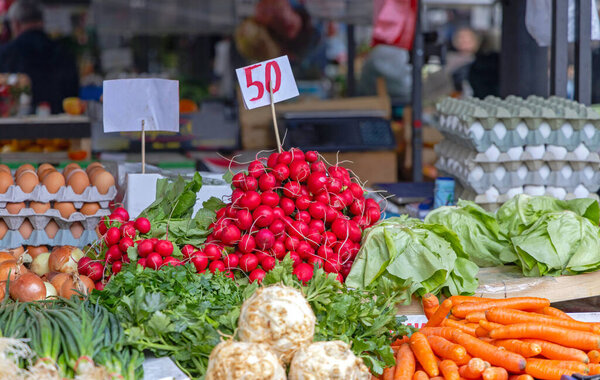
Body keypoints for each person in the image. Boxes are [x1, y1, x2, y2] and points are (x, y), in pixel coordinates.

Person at [0, 0, 79, 114]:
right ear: (42, 22)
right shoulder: (64, 52)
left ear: (16, 24)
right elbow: (73, 94)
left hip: (16, 127)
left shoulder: (5, 54)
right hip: (60, 125)